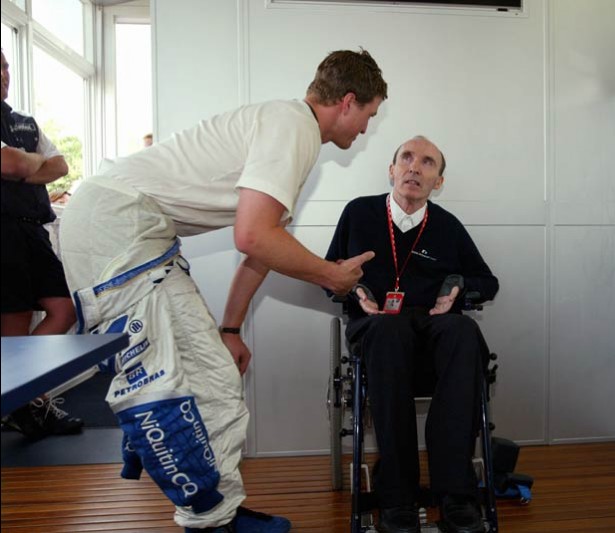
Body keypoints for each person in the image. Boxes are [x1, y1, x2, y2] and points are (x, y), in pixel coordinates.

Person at [58, 48, 387, 533]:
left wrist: (231, 327)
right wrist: (329, 275)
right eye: (369, 116)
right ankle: (207, 512)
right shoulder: (293, 126)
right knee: (187, 385)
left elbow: (262, 248)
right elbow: (254, 237)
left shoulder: (287, 130)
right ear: (348, 101)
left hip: (134, 230)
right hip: (118, 224)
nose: (365, 130)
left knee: (213, 378)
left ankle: (217, 512)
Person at [325, 136, 499, 533]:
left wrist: (457, 286)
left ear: (438, 182)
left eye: (427, 163)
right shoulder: (360, 213)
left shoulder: (448, 226)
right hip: (378, 323)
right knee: (389, 328)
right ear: (391, 170)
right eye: (406, 158)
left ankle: (456, 494)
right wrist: (353, 288)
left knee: (464, 331)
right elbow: (328, 271)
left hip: (432, 326)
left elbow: (487, 281)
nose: (414, 168)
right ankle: (396, 495)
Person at [0, 49, 83, 440]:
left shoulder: (24, 123)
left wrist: (23, 164)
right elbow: (14, 165)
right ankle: (30, 406)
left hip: (36, 230)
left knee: (63, 311)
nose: (2, 75)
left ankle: (19, 398)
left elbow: (60, 165)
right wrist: (31, 165)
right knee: (14, 327)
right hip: (2, 233)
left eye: (4, 66)